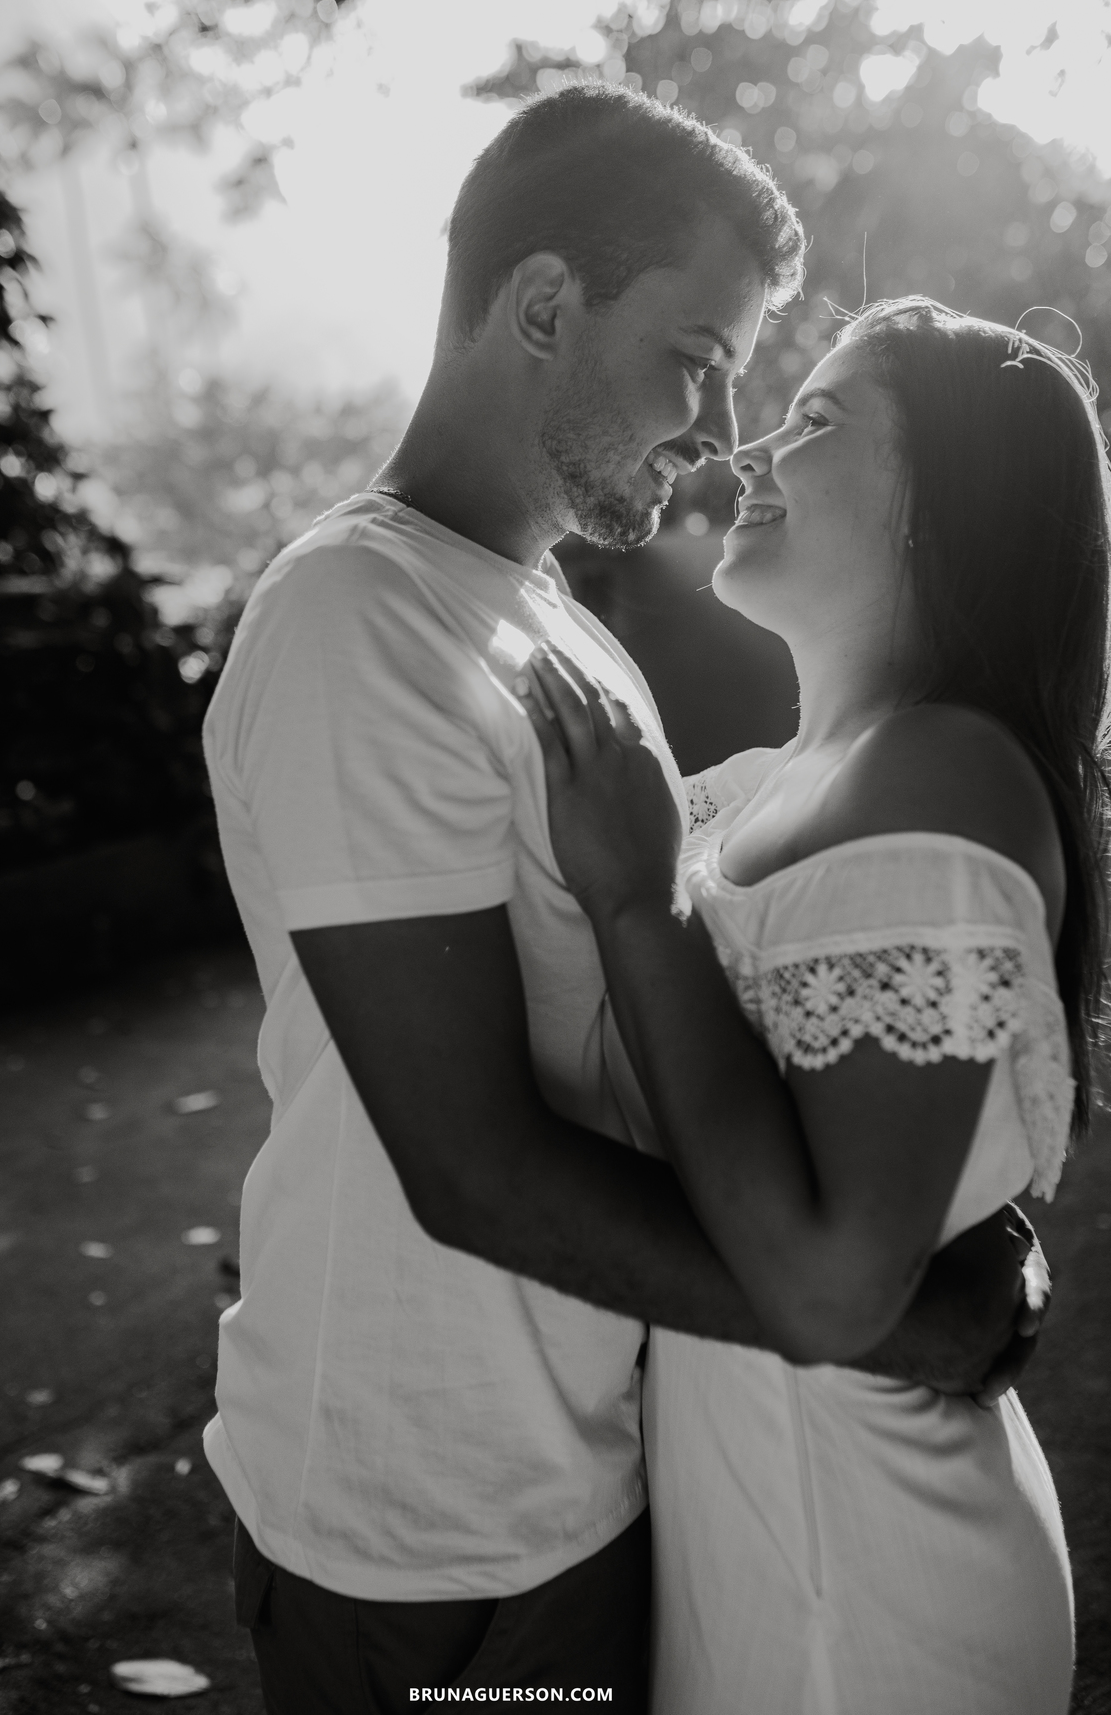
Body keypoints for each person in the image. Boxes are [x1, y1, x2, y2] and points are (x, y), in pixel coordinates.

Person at [202, 87, 1045, 1713]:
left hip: (585, 1479)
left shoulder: (557, 628)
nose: (721, 424)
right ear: (541, 304)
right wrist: (884, 1315)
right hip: (427, 1529)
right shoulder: (354, 618)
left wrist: (938, 1184)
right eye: (700, 354)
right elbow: (470, 1167)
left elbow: (691, 1011)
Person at [518, 295, 1106, 1713]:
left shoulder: (945, 770)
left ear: (947, 501)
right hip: (763, 1530)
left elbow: (838, 1282)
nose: (752, 449)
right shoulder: (781, 775)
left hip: (864, 1582)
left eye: (822, 415)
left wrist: (636, 900)